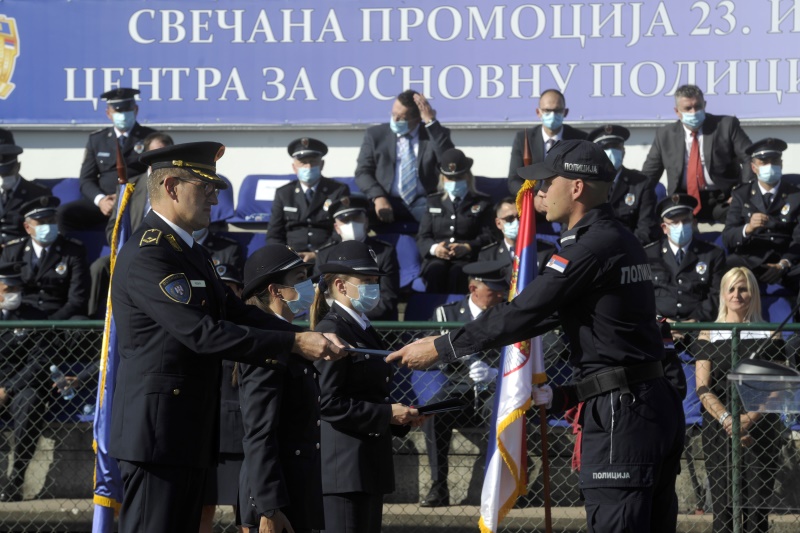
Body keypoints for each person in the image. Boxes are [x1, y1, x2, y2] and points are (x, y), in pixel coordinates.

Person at [387, 139, 685, 533]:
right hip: (642, 404)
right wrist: (563, 396)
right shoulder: (620, 238)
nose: (539, 192)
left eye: (548, 182)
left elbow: (526, 312)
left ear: (576, 188)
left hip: (622, 413)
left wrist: (442, 347)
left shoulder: (590, 248)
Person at [108, 141, 346, 533]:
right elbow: (201, 334)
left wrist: (309, 339)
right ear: (171, 186)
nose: (215, 199)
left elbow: (237, 312)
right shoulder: (149, 255)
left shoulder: (191, 253)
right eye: (206, 188)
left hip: (186, 431)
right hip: (157, 434)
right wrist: (294, 344)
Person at [310, 240, 422, 533]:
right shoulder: (332, 330)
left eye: (375, 281)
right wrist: (386, 414)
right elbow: (327, 403)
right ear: (341, 286)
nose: (374, 287)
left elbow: (370, 394)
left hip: (367, 465)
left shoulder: (360, 327)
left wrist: (403, 418)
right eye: (367, 281)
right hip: (345, 468)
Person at [237, 245, 324, 533]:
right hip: (275, 499)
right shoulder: (269, 345)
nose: (308, 285)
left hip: (297, 491)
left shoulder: (288, 339)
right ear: (275, 290)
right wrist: (269, 507)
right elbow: (259, 433)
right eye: (299, 277)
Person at [695, 267, 784, 533]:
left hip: (761, 429)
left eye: (743, 288)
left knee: (757, 512)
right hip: (719, 430)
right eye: (732, 288)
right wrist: (728, 419)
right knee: (723, 511)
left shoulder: (770, 333)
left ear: (753, 293)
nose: (737, 294)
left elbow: (778, 387)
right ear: (723, 293)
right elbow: (702, 387)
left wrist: (748, 419)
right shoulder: (708, 333)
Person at [420, 261, 508, 508]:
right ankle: (439, 488)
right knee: (432, 412)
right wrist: (449, 356)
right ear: (473, 289)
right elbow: (426, 352)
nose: (501, 293)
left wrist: (495, 373)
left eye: (502, 288)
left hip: (494, 389)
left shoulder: (506, 314)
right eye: (494, 289)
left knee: (501, 414)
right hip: (458, 388)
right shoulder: (446, 315)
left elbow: (521, 354)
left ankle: (499, 487)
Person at [88, 132, 174, 318]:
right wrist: (126, 248)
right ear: (146, 156)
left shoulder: (178, 186)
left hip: (167, 251)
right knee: (99, 268)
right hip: (131, 249)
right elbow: (113, 227)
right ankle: (94, 324)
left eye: (166, 153)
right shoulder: (129, 187)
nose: (161, 158)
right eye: (156, 152)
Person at [641, 84, 752, 223]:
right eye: (688, 108)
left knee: (740, 224)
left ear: (705, 105)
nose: (694, 112)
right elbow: (650, 174)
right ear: (677, 112)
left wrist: (742, 193)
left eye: (698, 106)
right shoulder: (665, 135)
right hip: (683, 200)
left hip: (723, 198)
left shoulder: (727, 125)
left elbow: (750, 157)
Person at [58, 88, 157, 231]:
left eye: (126, 110)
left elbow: (155, 175)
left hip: (136, 200)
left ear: (135, 110)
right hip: (104, 203)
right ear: (108, 114)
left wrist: (125, 198)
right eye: (117, 111)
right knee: (64, 213)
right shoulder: (97, 140)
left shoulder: (150, 138)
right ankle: (71, 253)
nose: (122, 115)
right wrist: (101, 201)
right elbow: (86, 180)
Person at [355, 90, 455, 225]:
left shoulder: (433, 134)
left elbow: (450, 162)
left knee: (446, 219)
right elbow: (362, 172)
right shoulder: (375, 135)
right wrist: (378, 197)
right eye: (393, 114)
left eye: (402, 118)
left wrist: (431, 122)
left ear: (418, 119)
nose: (395, 120)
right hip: (387, 199)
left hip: (423, 201)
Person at [722, 138, 800, 294]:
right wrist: (748, 228)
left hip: (785, 258)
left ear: (781, 164)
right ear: (754, 167)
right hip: (751, 260)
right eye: (764, 162)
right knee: (725, 270)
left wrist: (784, 263)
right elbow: (728, 237)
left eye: (775, 161)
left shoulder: (796, 195)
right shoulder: (741, 194)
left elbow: (799, 238)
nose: (770, 166)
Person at [199, 264, 245, 533]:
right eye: (221, 288)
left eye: (231, 288)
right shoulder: (197, 325)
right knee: (203, 511)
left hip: (239, 435)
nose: (226, 293)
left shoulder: (249, 328)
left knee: (246, 513)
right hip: (204, 435)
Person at [646, 194, 726, 345]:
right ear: (664, 228)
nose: (681, 226)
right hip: (658, 327)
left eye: (685, 220)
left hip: (698, 328)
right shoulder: (649, 255)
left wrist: (693, 322)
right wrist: (663, 321)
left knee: (710, 352)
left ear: (694, 222)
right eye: (674, 222)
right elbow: (643, 297)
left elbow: (716, 295)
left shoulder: (713, 254)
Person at [0, 262, 48, 502]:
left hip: (19, 387)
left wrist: (7, 388)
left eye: (17, 287)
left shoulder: (33, 316)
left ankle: (16, 479)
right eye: (8, 288)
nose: (14, 293)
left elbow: (38, 362)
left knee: (30, 401)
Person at [416, 149, 494, 293]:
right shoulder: (434, 201)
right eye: (450, 178)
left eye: (459, 178)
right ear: (443, 179)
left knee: (459, 274)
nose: (454, 182)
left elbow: (489, 236)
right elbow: (423, 237)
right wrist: (435, 249)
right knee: (435, 272)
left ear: (468, 177)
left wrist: (467, 247)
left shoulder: (482, 202)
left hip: (468, 258)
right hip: (437, 258)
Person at [1, 196, 89, 320]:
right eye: (41, 222)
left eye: (51, 221)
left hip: (60, 317)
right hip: (23, 317)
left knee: (80, 323)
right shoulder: (13, 251)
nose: (47, 226)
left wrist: (49, 324)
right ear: (27, 227)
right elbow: (5, 291)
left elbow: (78, 299)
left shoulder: (73, 251)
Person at [315, 196, 400, 320]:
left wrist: (353, 318)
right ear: (336, 228)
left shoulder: (384, 252)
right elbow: (321, 296)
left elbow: (387, 300)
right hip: (335, 324)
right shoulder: (325, 255)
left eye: (356, 218)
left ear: (366, 221)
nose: (351, 224)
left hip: (375, 325)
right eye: (345, 220)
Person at [267, 138, 349, 262]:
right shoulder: (284, 193)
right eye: (303, 162)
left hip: (327, 257)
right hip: (291, 259)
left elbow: (341, 230)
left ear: (322, 165)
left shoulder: (338, 191)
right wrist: (287, 256)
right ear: (294, 167)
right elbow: (274, 234)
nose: (308, 166)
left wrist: (318, 255)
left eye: (313, 162)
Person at [507, 89, 588, 195]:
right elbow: (514, 180)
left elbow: (586, 177)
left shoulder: (581, 139)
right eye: (547, 110)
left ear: (565, 112)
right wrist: (533, 199)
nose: (552, 115)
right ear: (538, 112)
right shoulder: (523, 139)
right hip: (534, 204)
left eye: (557, 110)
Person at [588, 125, 659, 245]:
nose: (611, 152)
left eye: (615, 147)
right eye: (605, 148)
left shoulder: (641, 183)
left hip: (628, 252)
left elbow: (646, 229)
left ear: (624, 151)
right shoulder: (586, 184)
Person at [478, 197, 556, 272]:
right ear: (498, 223)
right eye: (510, 218)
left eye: (520, 217)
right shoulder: (488, 256)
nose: (517, 222)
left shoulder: (546, 252)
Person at [0, 143, 50, 245]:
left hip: (20, 251)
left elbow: (40, 232)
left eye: (8, 173)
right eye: (1, 174)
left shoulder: (37, 193)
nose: (4, 177)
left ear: (18, 167)